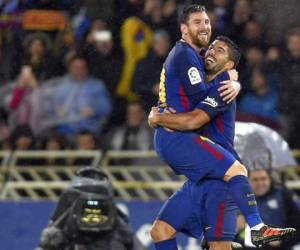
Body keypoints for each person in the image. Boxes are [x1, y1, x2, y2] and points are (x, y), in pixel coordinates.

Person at [148, 5, 295, 249]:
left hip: (220, 179)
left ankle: (256, 229)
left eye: (220, 51)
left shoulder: (222, 86)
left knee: (237, 174)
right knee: (160, 231)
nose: (211, 52)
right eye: (212, 47)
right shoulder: (197, 69)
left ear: (229, 67)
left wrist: (158, 119)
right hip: (202, 175)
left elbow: (194, 120)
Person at [38, 166, 146, 250]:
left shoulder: (119, 229)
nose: (93, 217)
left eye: (99, 209)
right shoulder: (62, 229)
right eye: (86, 210)